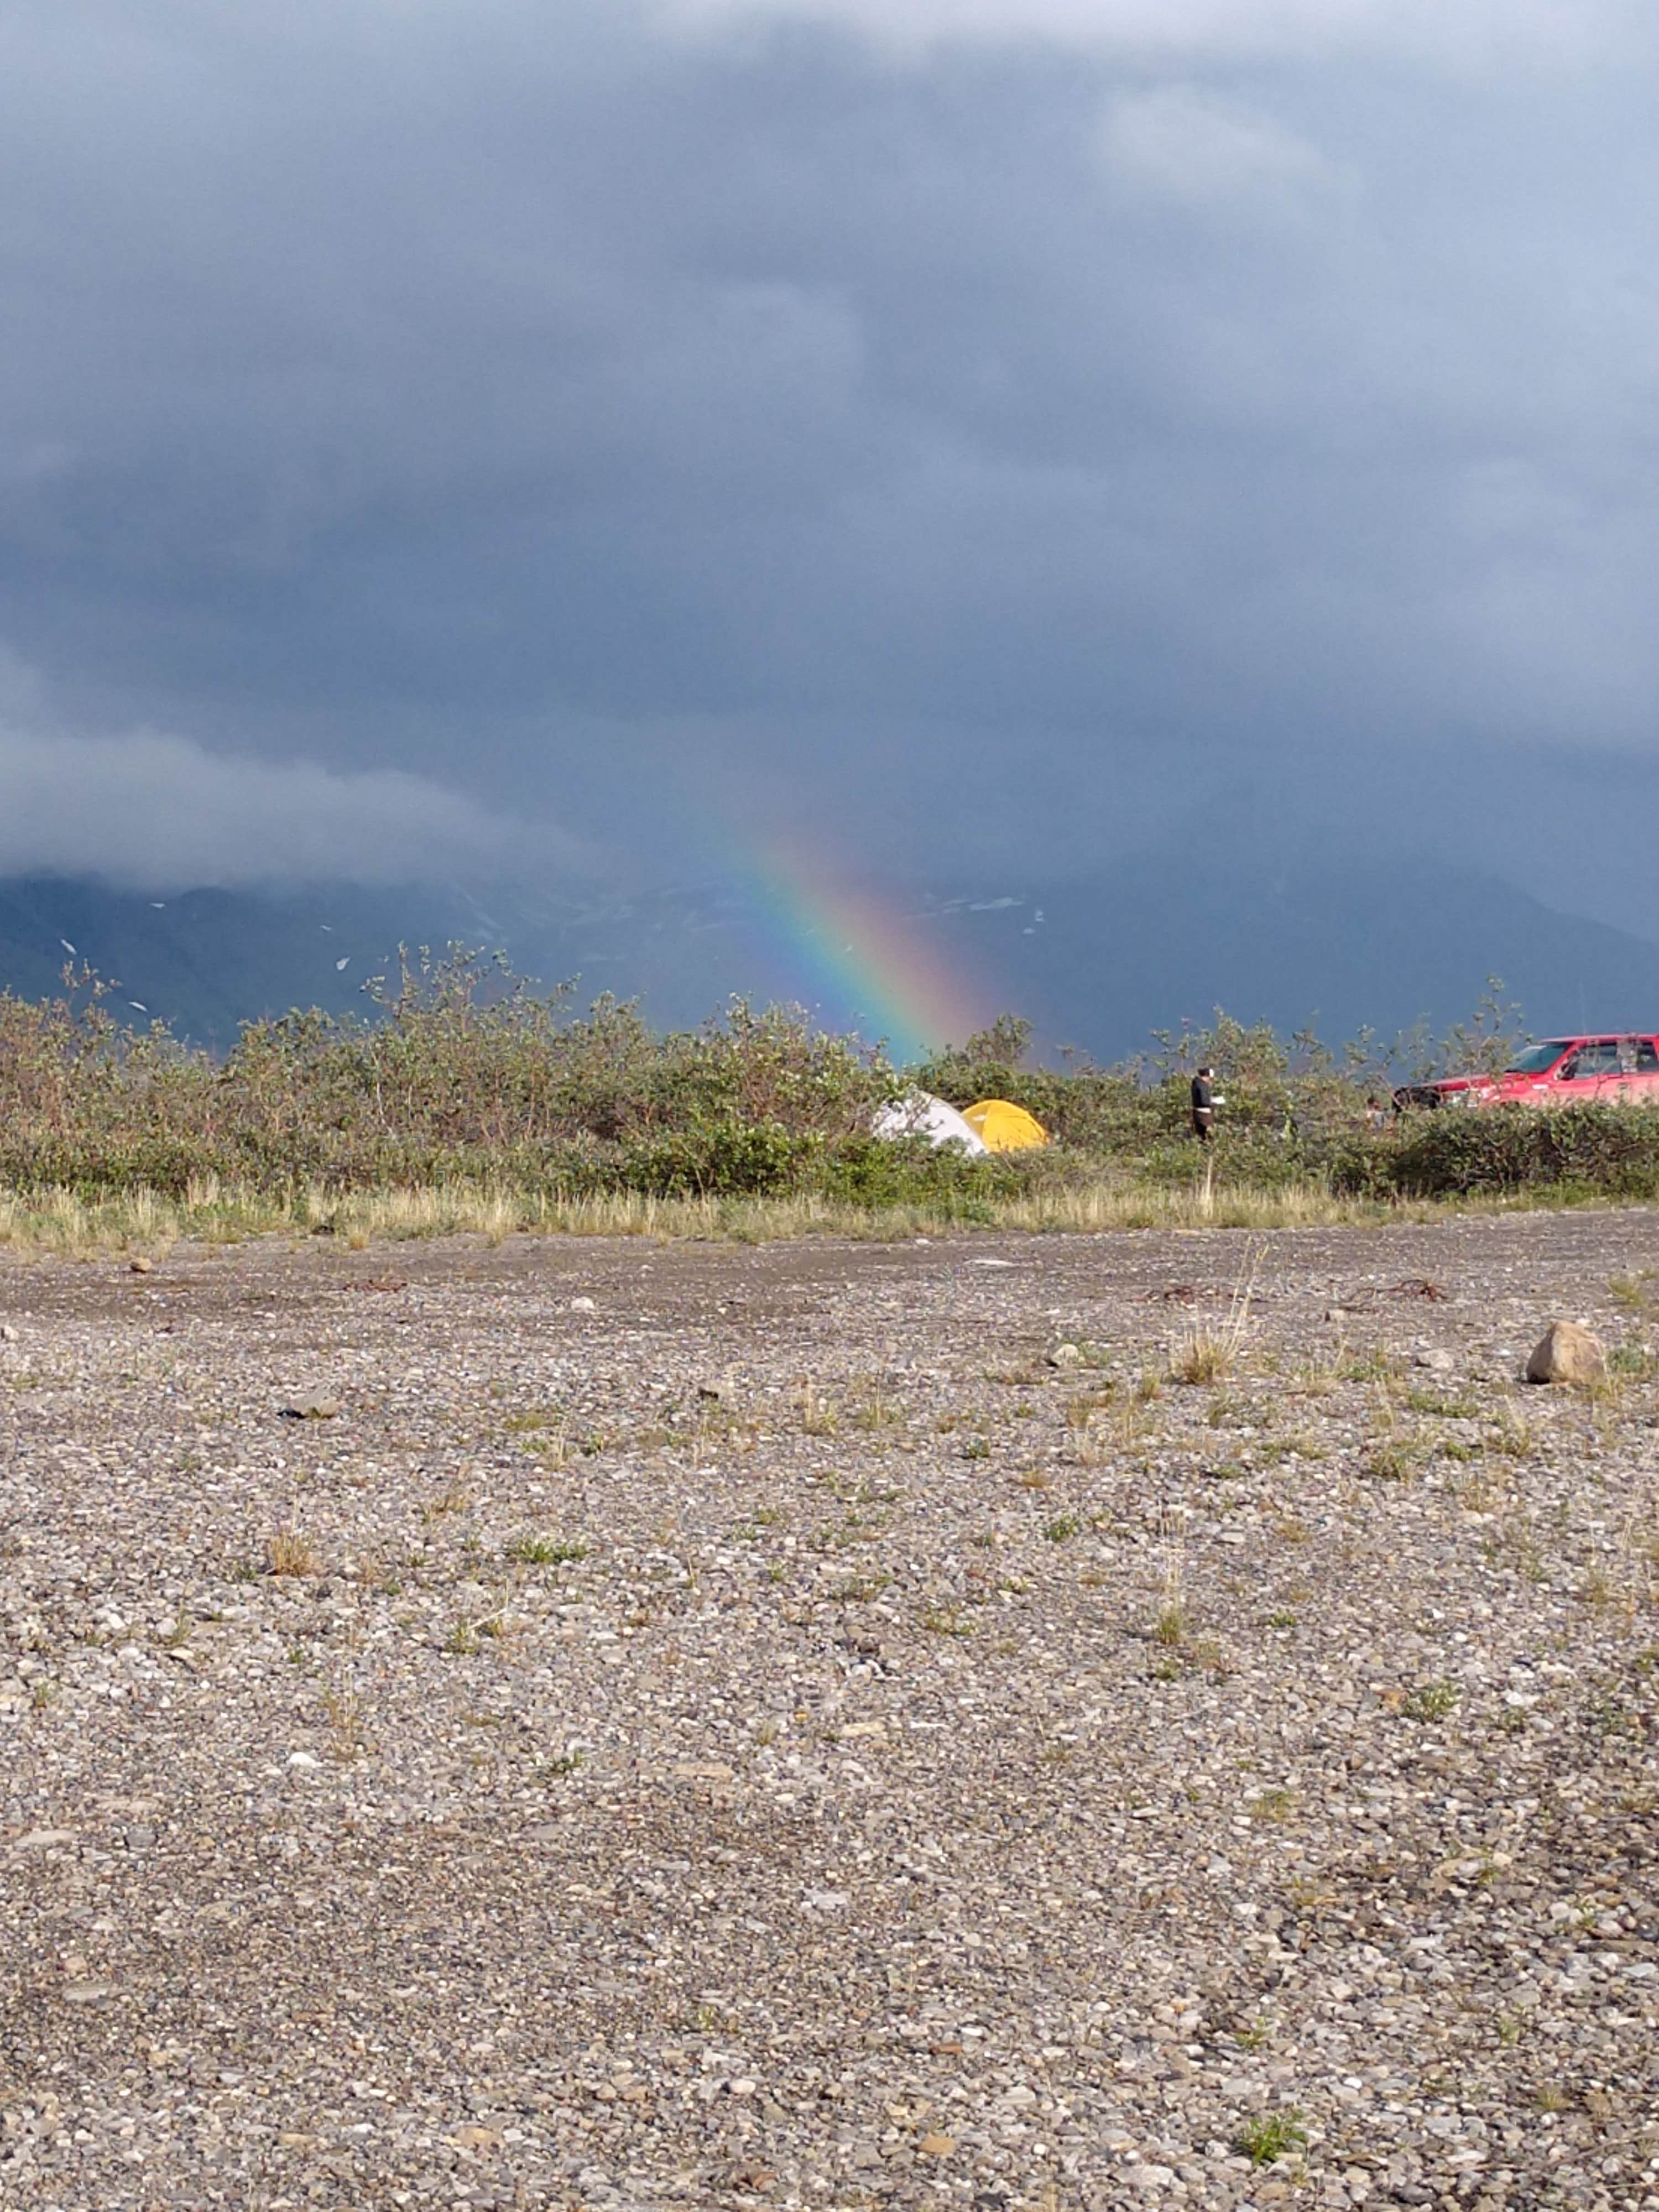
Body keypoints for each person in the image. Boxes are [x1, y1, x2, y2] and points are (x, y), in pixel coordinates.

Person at [1191, 1065, 1218, 1142]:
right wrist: (1212, 1102)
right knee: (1209, 1134)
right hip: (1204, 1113)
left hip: (1196, 1112)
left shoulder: (1196, 1084)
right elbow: (1204, 1101)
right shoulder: (1202, 1086)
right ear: (1207, 1076)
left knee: (1201, 1134)